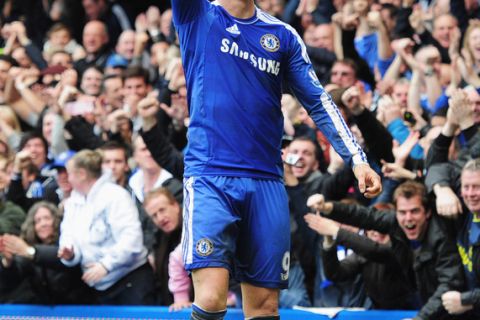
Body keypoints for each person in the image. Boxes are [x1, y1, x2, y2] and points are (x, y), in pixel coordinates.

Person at [171, 1, 382, 319]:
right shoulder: (198, 15)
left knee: (265, 307)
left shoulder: (282, 35)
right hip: (211, 177)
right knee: (212, 298)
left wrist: (357, 159)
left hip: (267, 181)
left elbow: (318, 100)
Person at [305, 181, 465, 320]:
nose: (408, 218)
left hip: (441, 310)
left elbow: (376, 251)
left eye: (414, 211)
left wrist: (337, 232)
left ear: (427, 213)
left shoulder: (441, 237)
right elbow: (364, 216)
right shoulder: (395, 224)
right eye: (402, 212)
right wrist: (328, 208)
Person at [57, 149, 155, 305]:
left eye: (70, 173)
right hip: (98, 287)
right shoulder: (73, 202)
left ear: (82, 174)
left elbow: (132, 240)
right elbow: (67, 234)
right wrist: (70, 253)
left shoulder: (115, 196)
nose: (67, 178)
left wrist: (106, 264)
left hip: (131, 281)